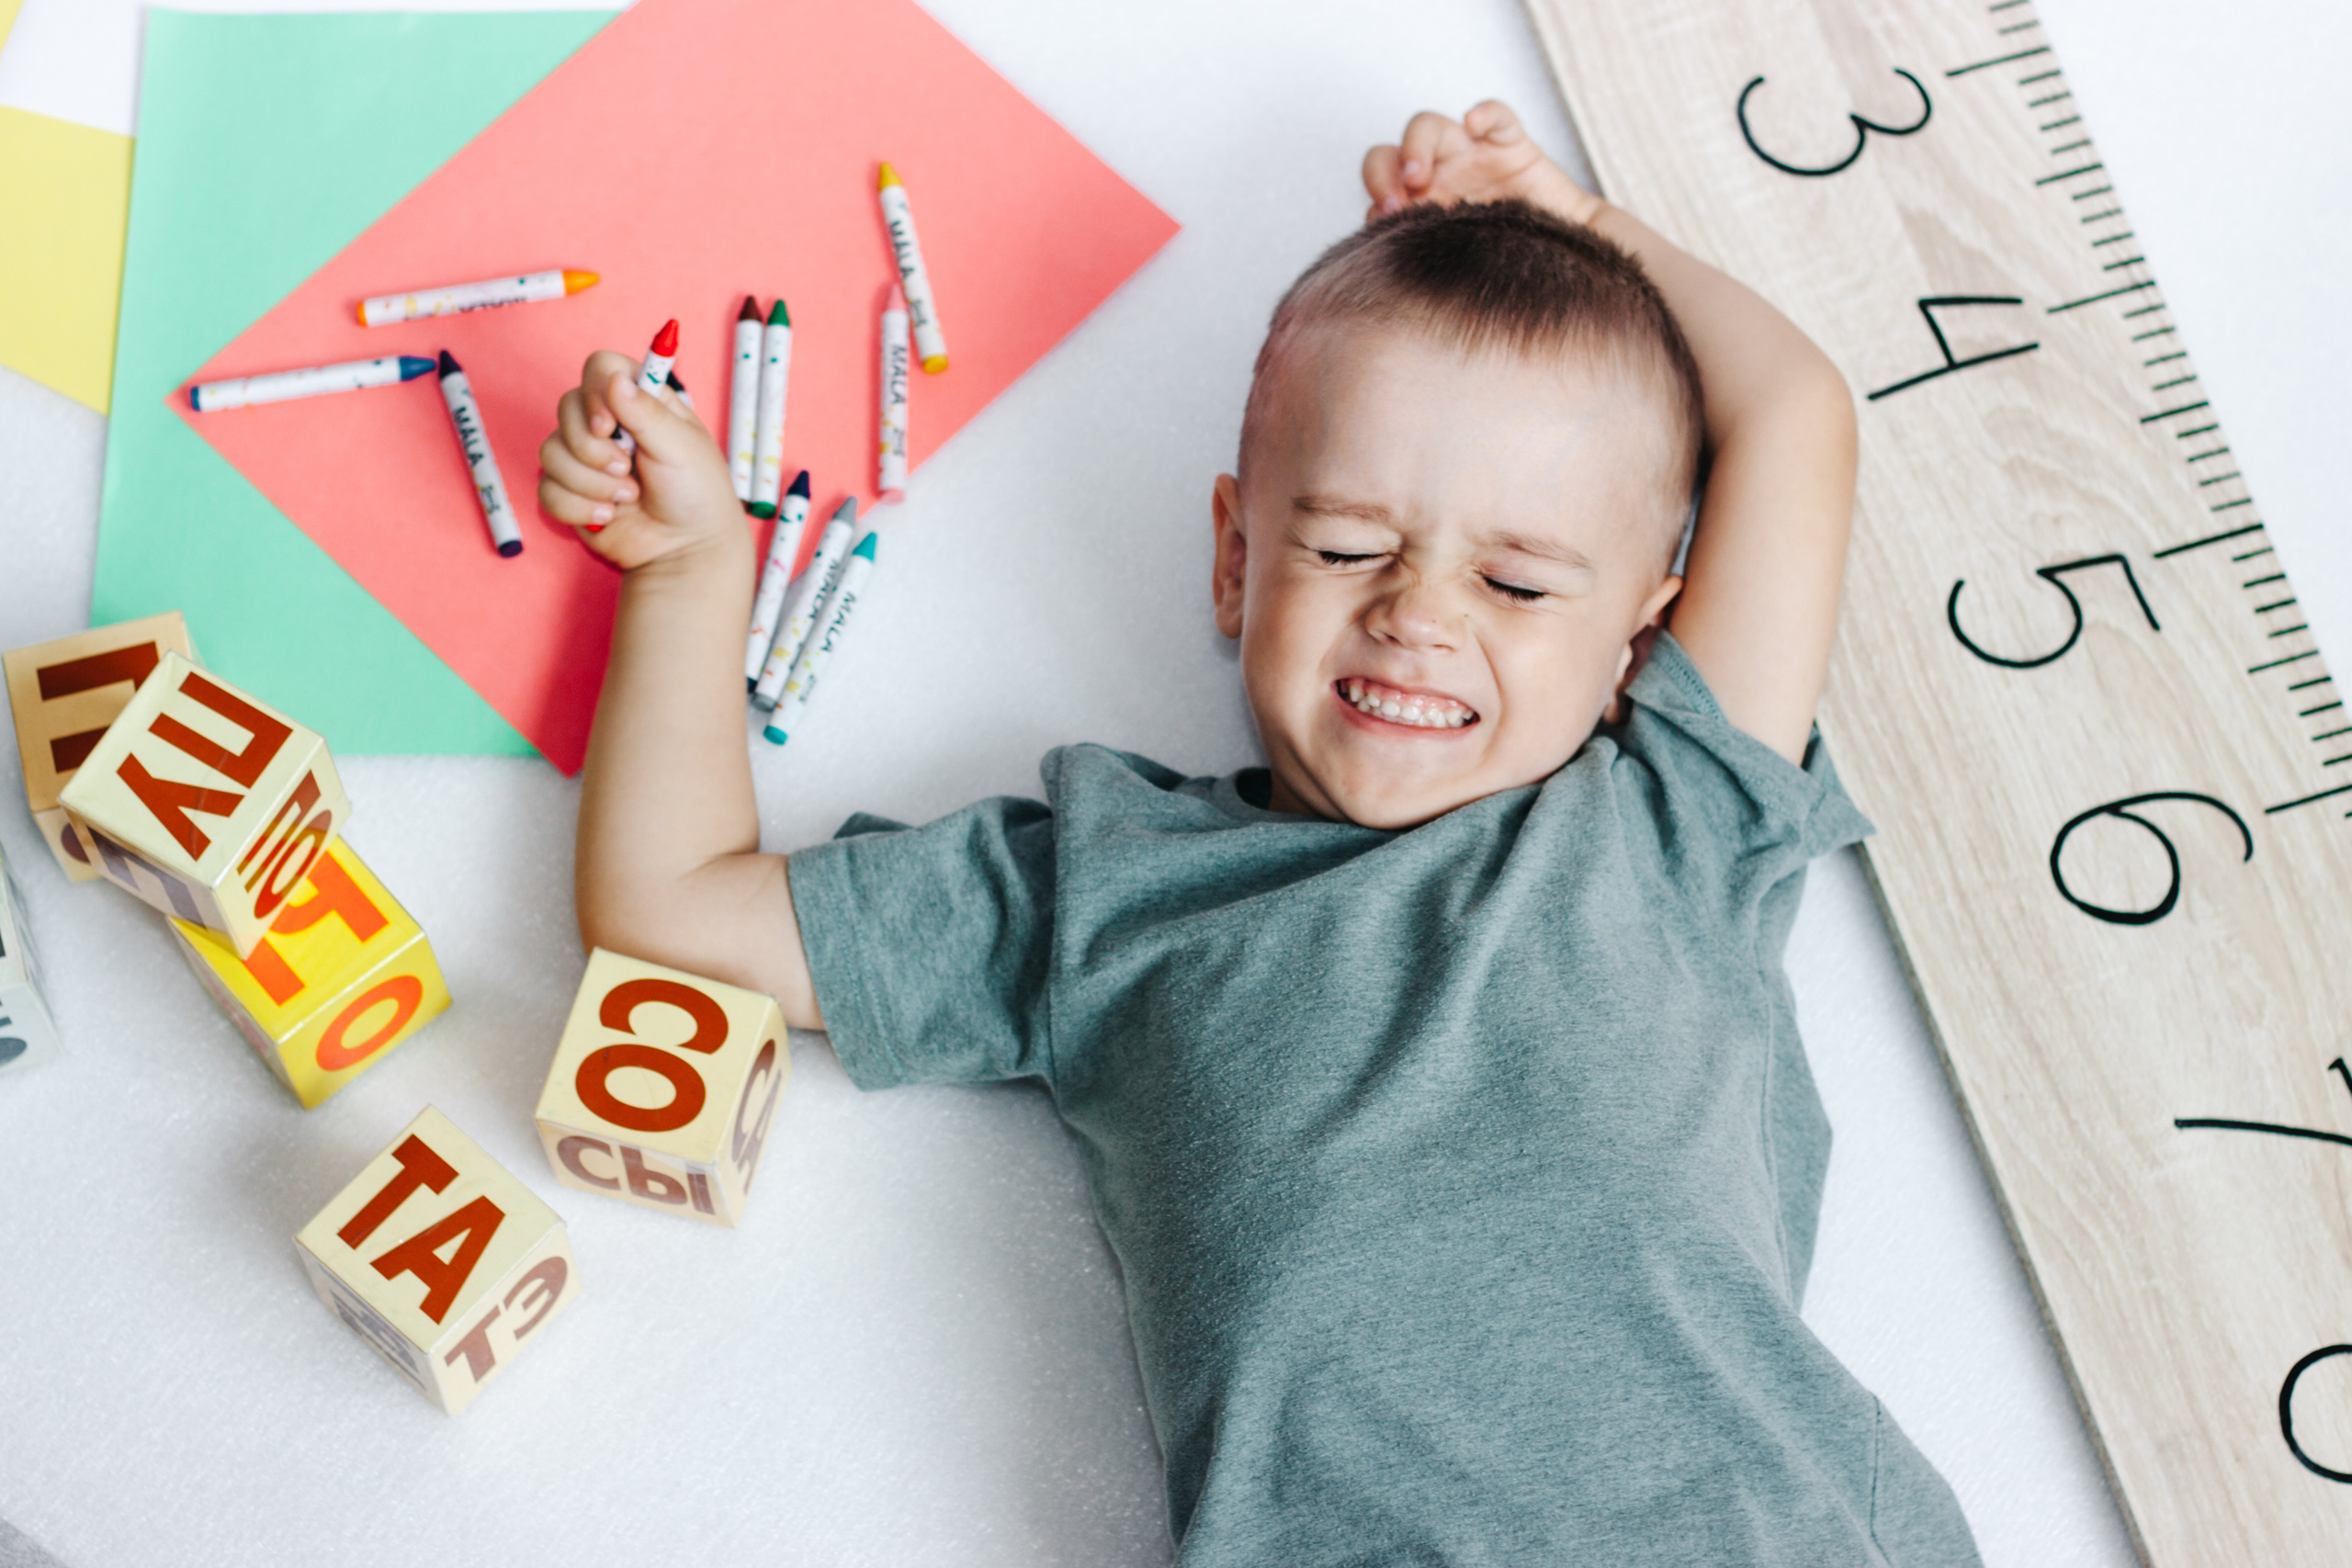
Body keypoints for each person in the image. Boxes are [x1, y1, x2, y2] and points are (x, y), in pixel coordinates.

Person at [537, 100, 1980, 1565]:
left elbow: (1796, 416)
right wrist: (686, 576)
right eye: (1350, 546)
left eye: (1518, 585)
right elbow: (670, 907)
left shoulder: (1672, 816)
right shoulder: (1107, 890)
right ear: (1234, 562)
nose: (1419, 614)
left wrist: (1576, 224)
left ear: (1635, 644)